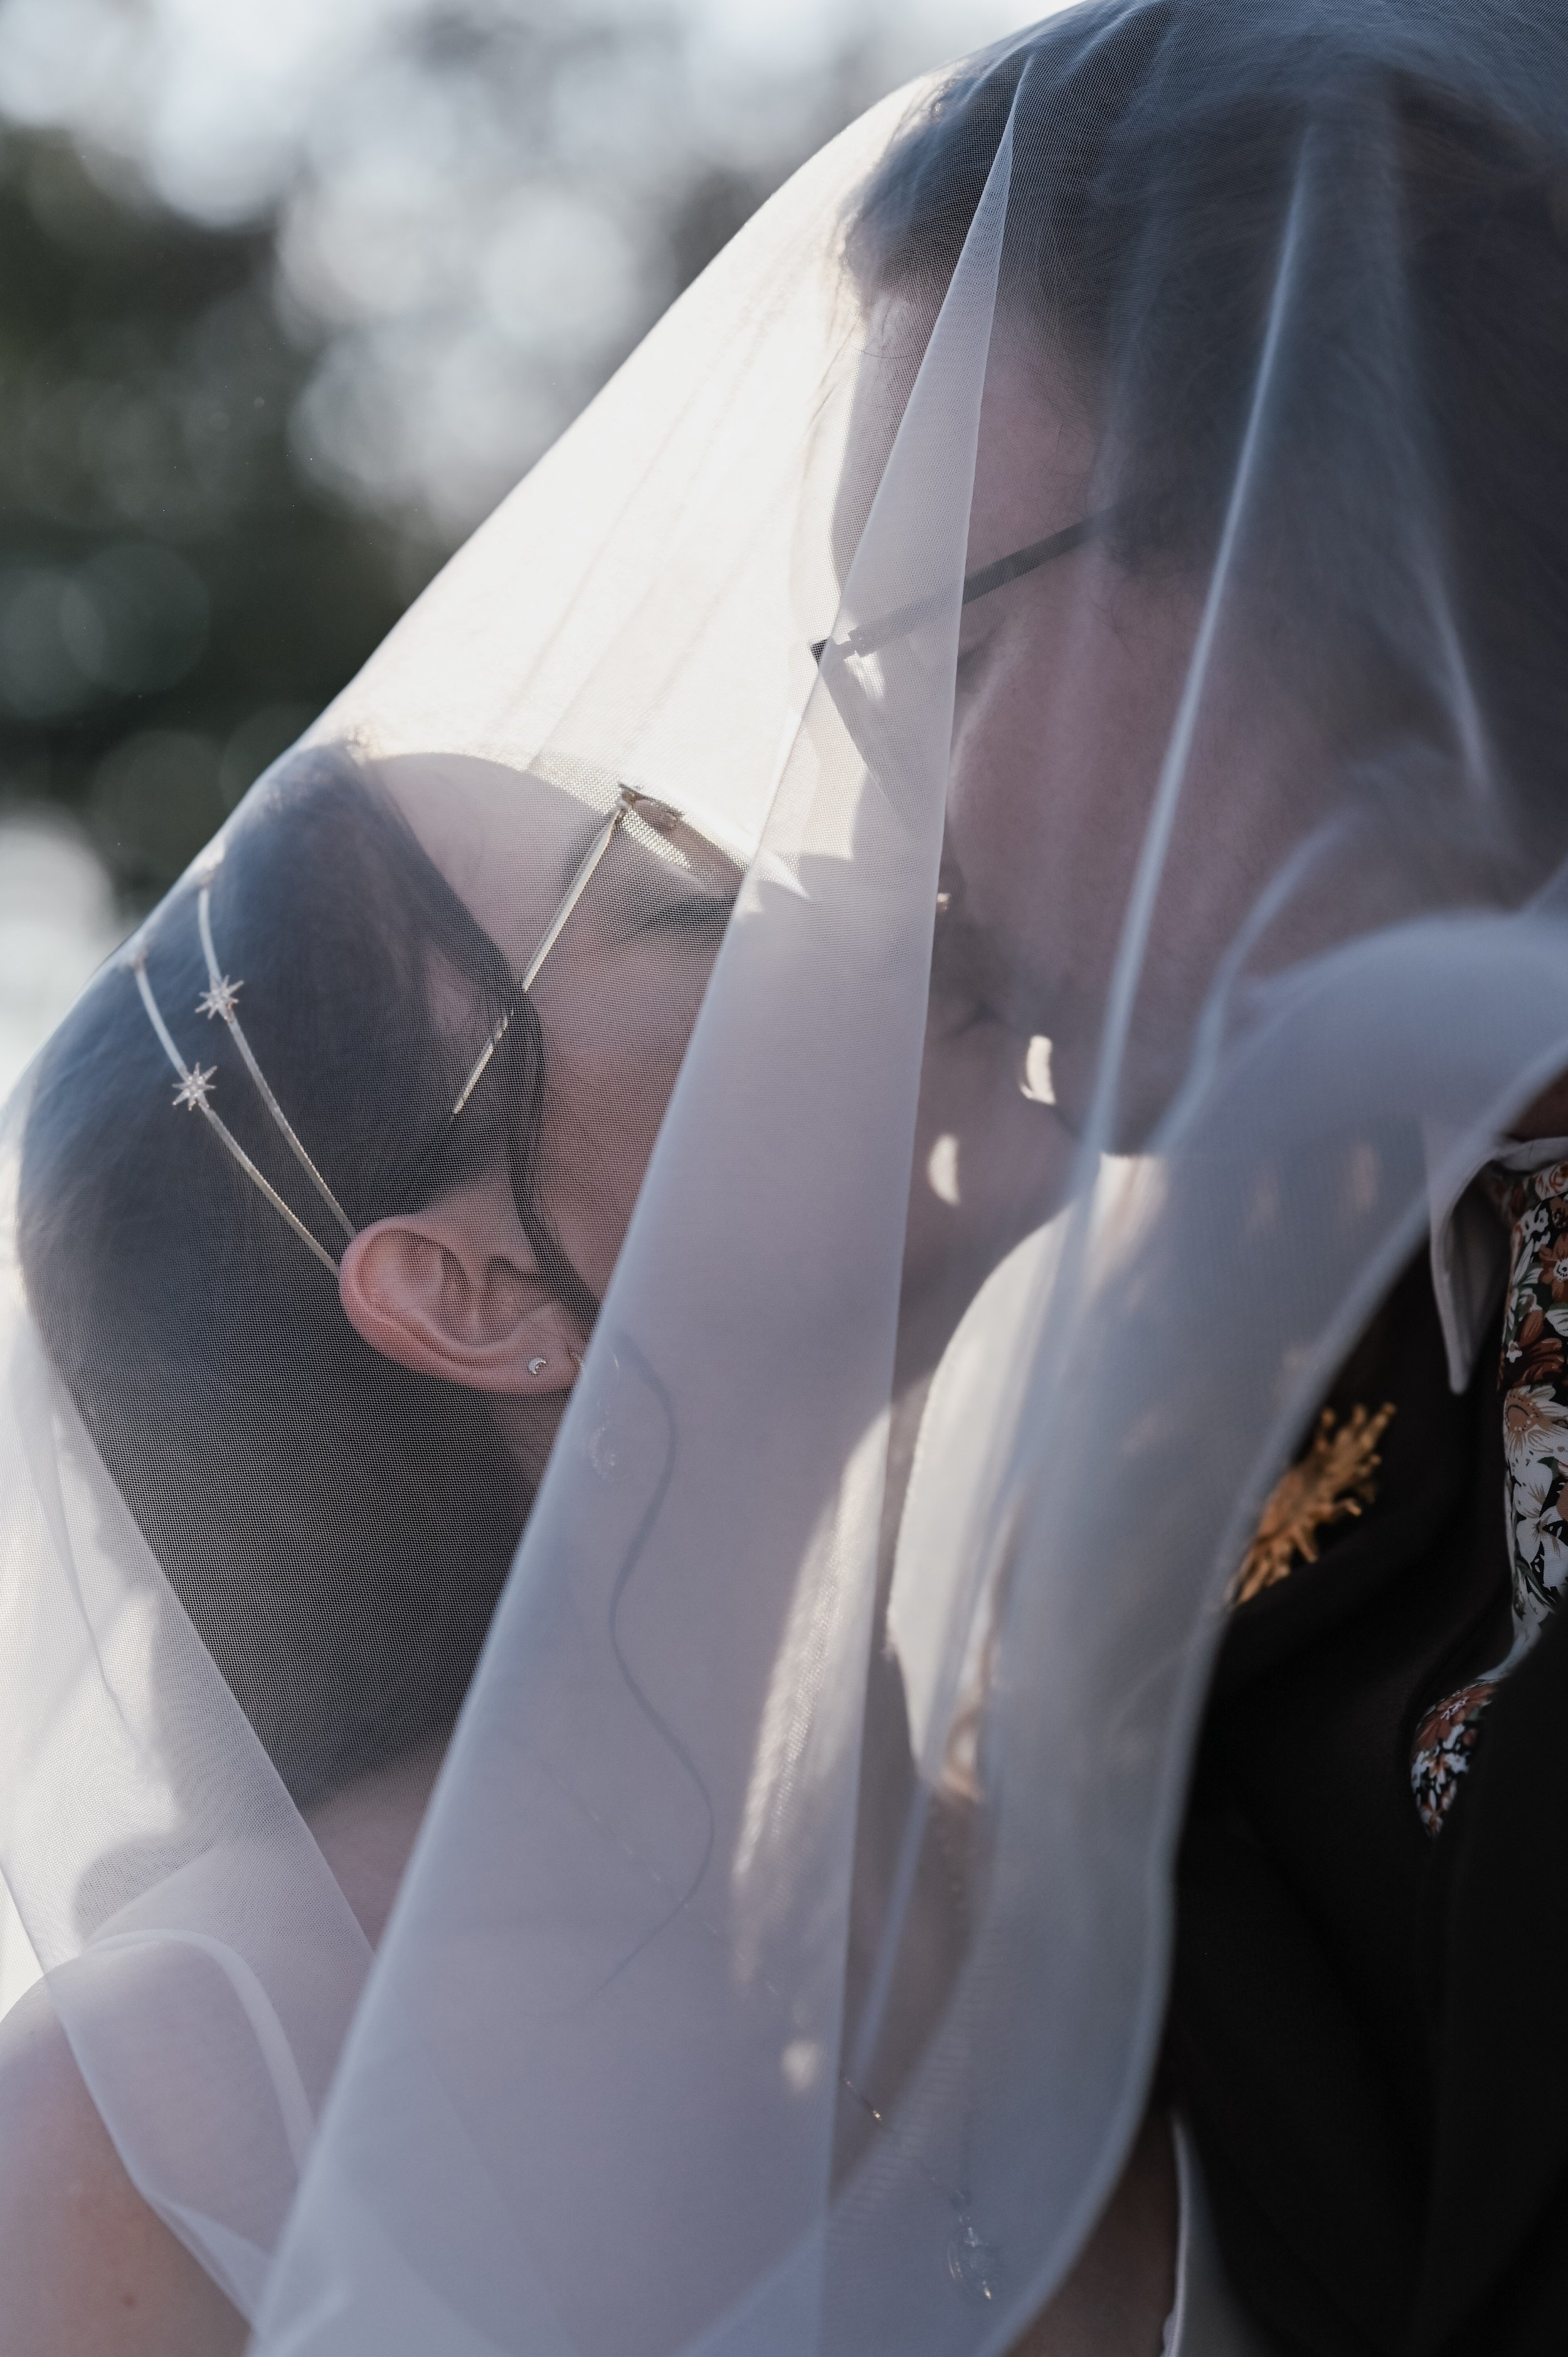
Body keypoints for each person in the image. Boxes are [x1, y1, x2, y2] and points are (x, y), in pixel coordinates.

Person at [2, 3, 1567, 2354]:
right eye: (679, 909)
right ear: (461, 1289)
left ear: (1269, 514)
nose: (878, 880)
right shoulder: (1209, 1610)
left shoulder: (1087, 1817)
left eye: (943, 641)